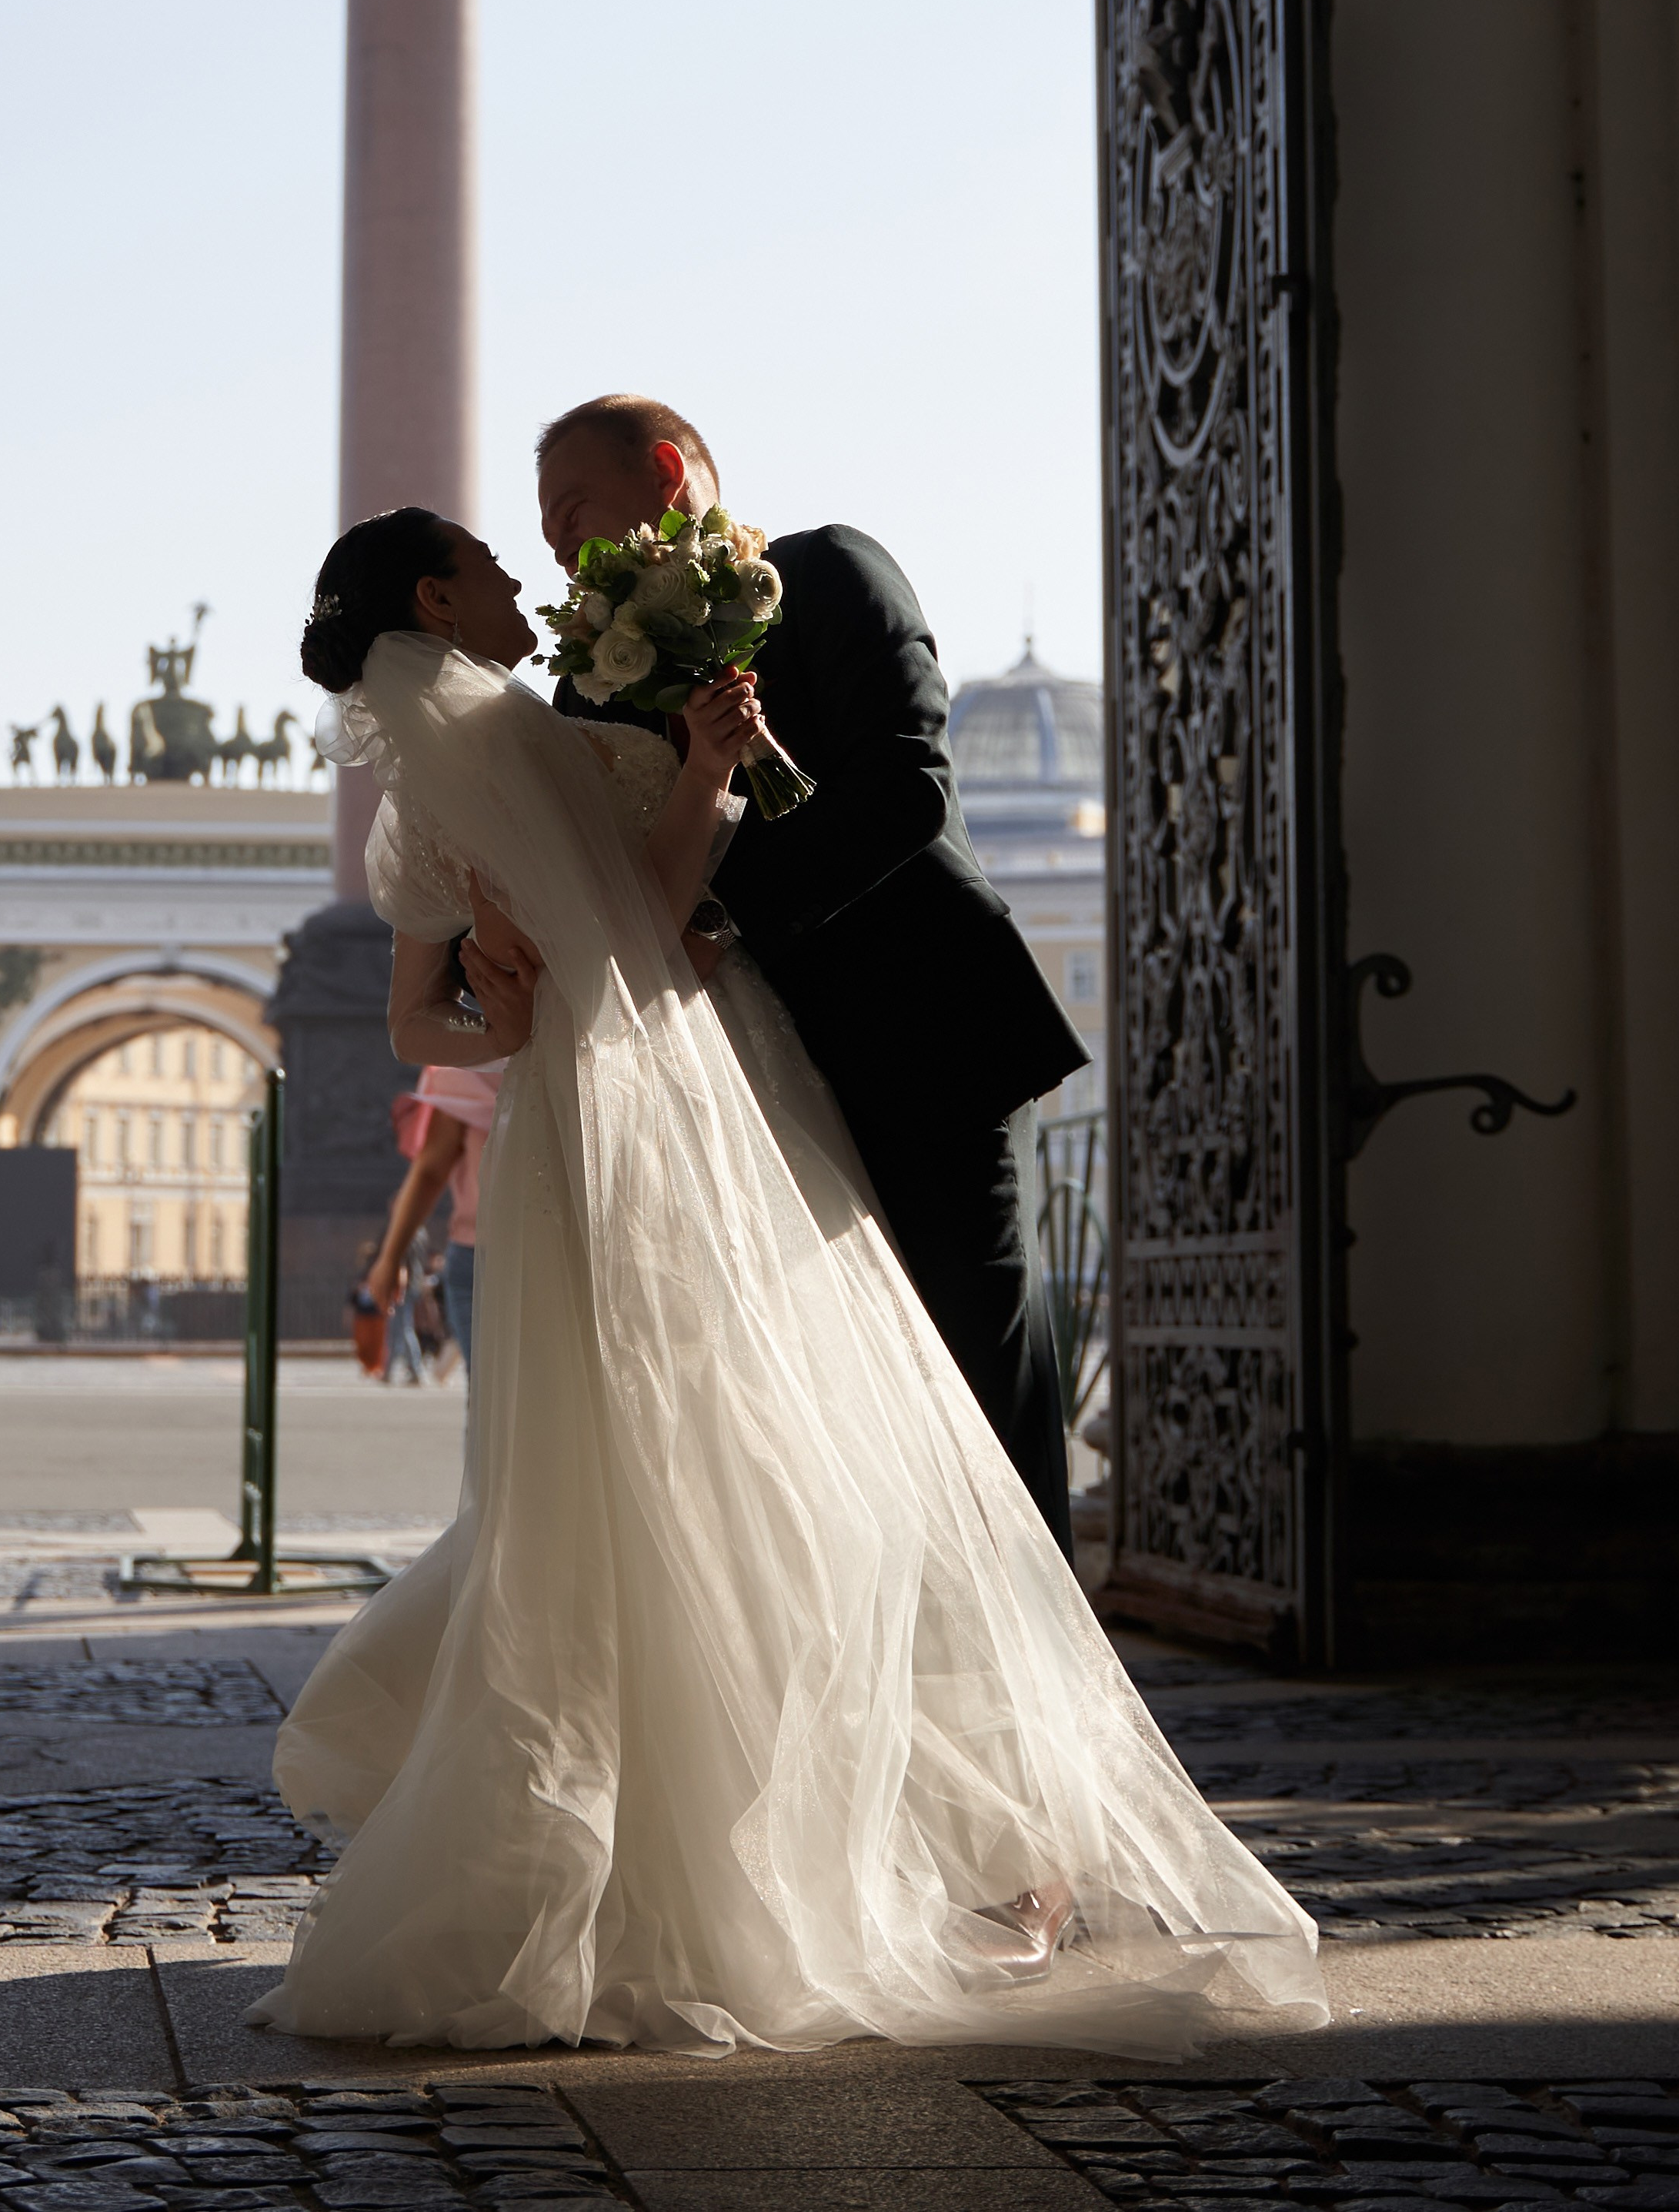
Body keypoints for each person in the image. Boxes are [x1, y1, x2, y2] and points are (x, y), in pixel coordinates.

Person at [248, 505, 1324, 2060]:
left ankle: (627, 1853)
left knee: (614, 1465)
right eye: (494, 564)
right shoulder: (535, 743)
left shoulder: (414, 793)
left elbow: (427, 1026)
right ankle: (758, 1845)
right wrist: (690, 784)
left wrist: (515, 997)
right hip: (679, 1103)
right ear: (437, 593)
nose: (525, 584)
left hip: (582, 1120)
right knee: (759, 1445)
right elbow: (656, 924)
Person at [529, 394, 1088, 1556]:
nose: (552, 541)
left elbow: (907, 790)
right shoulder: (587, 682)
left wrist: (729, 916)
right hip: (737, 1082)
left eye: (571, 506)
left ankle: (1037, 1672)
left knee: (973, 1354)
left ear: (670, 473)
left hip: (925, 1035)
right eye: (542, 521)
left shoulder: (827, 575)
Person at [364, 1061, 507, 1379]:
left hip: (558, 1259)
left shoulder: (585, 1056)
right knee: (490, 1401)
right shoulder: (467, 1074)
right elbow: (429, 1171)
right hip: (479, 1259)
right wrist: (390, 1258)